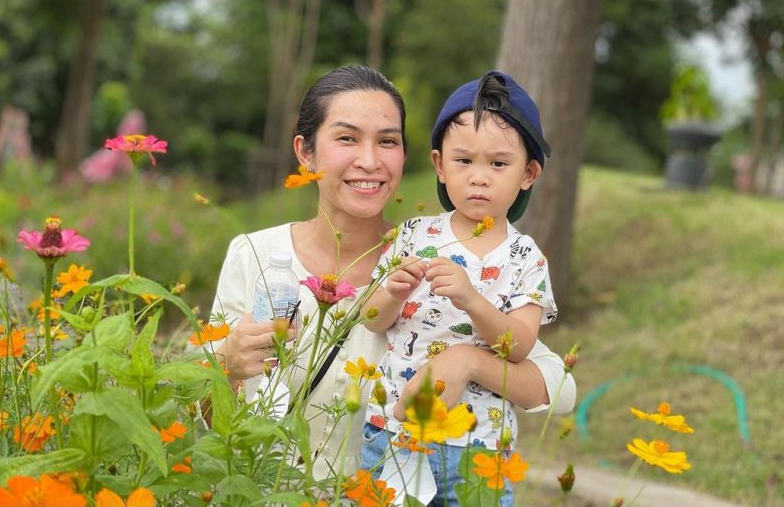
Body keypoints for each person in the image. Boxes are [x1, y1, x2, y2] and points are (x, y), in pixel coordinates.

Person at [209, 65, 576, 483]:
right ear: (305, 152)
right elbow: (195, 409)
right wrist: (225, 364)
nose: (369, 160)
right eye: (347, 138)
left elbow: (558, 387)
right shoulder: (256, 256)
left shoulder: (433, 259)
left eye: (387, 141)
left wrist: (466, 361)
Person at [359, 71, 557, 506]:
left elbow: (518, 346)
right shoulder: (413, 235)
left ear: (529, 173)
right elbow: (371, 320)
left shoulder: (526, 258)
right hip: (395, 432)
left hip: (478, 446)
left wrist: (471, 298)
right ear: (439, 165)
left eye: (498, 164)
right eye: (464, 161)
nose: (479, 177)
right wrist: (391, 291)